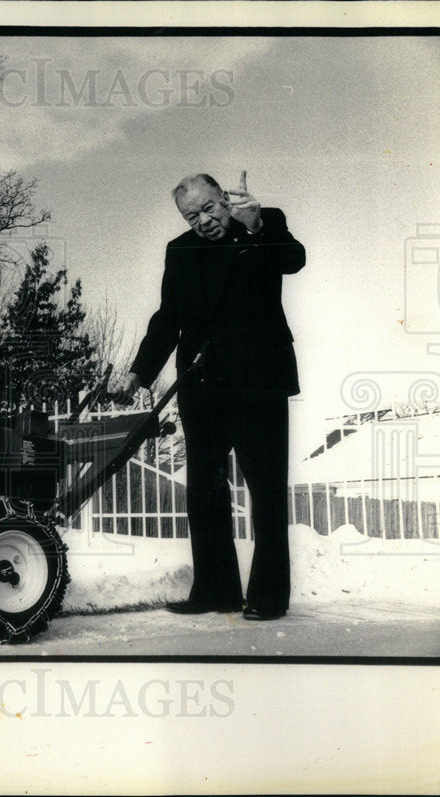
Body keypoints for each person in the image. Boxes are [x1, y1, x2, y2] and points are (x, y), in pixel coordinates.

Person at [114, 171, 305, 621]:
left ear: (224, 198)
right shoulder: (179, 251)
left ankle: (268, 596)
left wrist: (257, 226)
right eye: (191, 214)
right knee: (205, 491)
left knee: (267, 491)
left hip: (259, 382)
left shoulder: (262, 224)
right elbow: (168, 318)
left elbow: (293, 260)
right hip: (202, 385)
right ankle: (216, 592)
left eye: (209, 208)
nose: (203, 220)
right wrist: (139, 372)